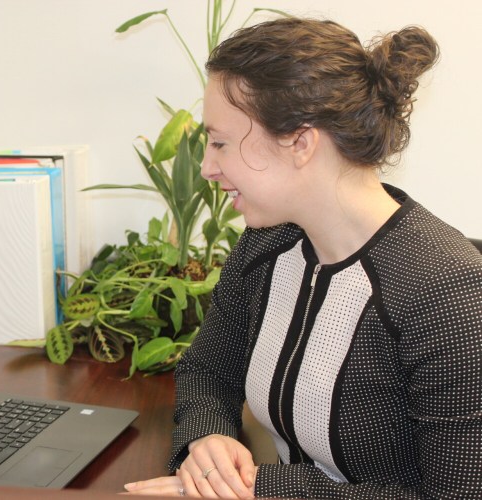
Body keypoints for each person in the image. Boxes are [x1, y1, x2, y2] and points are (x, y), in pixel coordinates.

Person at [124, 17, 482, 499]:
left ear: (300, 142)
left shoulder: (445, 293)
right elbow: (208, 369)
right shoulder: (266, 244)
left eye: (221, 143)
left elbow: (456, 495)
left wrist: (261, 489)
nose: (208, 167)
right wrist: (207, 435)